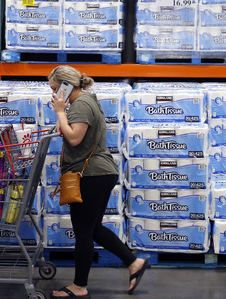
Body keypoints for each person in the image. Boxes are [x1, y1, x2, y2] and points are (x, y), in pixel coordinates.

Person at [48, 65, 148, 299]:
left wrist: (61, 113)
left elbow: (74, 138)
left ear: (66, 86)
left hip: (91, 174)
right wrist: (64, 118)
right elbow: (76, 132)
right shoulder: (86, 101)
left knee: (83, 231)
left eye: (54, 89)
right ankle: (133, 262)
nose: (53, 95)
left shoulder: (81, 104)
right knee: (93, 228)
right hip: (97, 173)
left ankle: (79, 286)